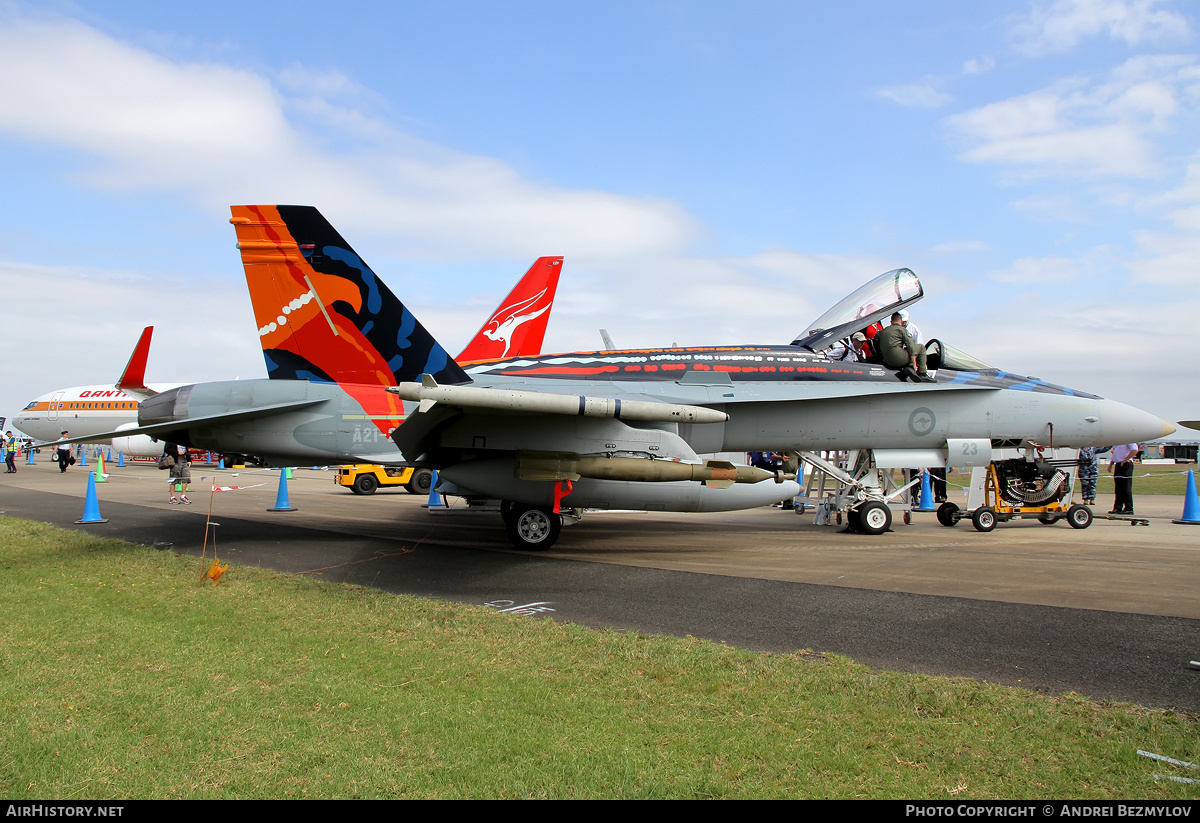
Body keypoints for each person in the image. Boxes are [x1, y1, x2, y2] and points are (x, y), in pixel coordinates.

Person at [875, 313, 933, 382]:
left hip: (887, 361)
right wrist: (914, 364)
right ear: (901, 322)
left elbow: (876, 344)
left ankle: (908, 368)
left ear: (891, 322)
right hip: (899, 359)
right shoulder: (901, 330)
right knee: (921, 347)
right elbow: (911, 346)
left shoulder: (881, 332)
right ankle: (922, 373)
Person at [1108, 443, 1138, 514]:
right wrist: (1111, 464)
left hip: (1126, 463)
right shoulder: (1118, 441)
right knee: (1118, 488)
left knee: (1126, 487)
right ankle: (1118, 507)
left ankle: (1129, 508)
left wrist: (1126, 459)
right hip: (1118, 463)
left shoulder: (1129, 440)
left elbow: (1134, 450)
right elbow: (1115, 453)